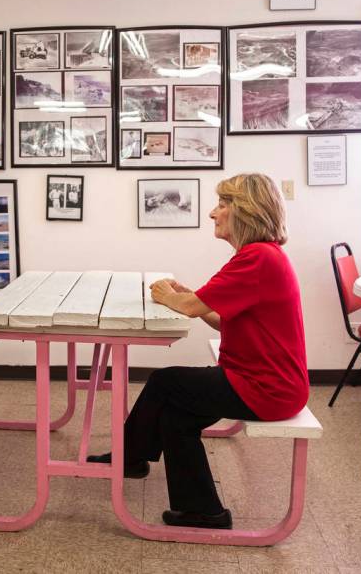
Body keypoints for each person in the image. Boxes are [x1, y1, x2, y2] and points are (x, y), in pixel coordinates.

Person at [88, 173, 308, 530]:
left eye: (222, 205)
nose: (212, 213)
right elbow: (223, 320)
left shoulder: (256, 258)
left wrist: (167, 295)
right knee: (176, 417)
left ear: (245, 211)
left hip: (266, 388)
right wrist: (189, 297)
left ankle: (129, 458)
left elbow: (189, 308)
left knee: (164, 382)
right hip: (267, 383)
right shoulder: (263, 257)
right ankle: (203, 511)